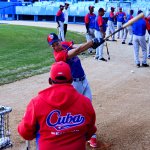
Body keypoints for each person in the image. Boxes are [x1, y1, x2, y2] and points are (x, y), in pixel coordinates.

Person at [18, 61, 97, 150]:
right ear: (71, 80)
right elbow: (90, 132)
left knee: (39, 127)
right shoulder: (85, 102)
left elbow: (25, 133)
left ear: (50, 81)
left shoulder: (36, 102)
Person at [47, 33, 104, 148]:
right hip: (74, 85)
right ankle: (70, 134)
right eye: (52, 45)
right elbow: (77, 51)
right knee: (75, 110)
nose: (55, 46)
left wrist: (92, 45)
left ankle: (91, 134)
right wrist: (92, 42)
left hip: (84, 80)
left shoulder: (64, 44)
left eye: (56, 43)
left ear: (59, 40)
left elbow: (77, 46)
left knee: (88, 108)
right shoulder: (58, 55)